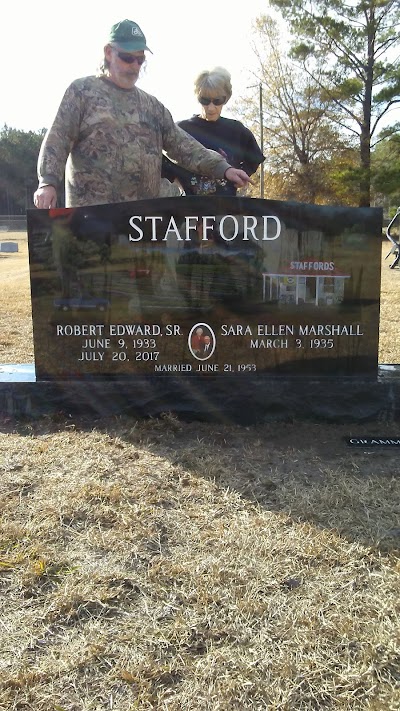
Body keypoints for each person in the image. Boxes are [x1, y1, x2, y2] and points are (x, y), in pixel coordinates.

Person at [33, 20, 252, 210]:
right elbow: (58, 138)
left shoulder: (152, 107)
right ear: (109, 52)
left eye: (140, 60)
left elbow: (184, 146)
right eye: (128, 58)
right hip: (92, 220)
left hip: (143, 224)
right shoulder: (82, 92)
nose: (135, 66)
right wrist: (48, 182)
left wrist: (224, 169)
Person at [162, 66, 265, 196]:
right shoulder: (181, 129)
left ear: (226, 98)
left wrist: (243, 174)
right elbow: (164, 163)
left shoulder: (237, 130)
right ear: (197, 97)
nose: (210, 108)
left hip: (227, 207)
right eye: (204, 100)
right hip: (190, 209)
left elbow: (255, 157)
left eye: (217, 101)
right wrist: (177, 180)